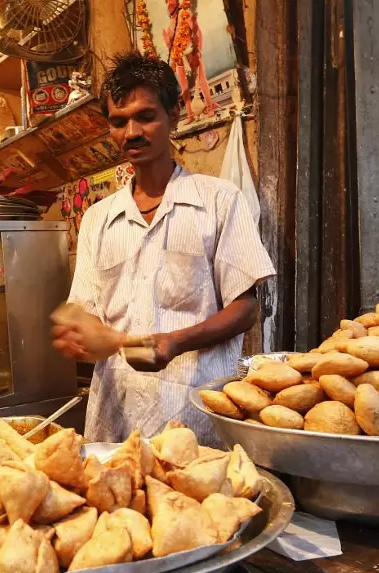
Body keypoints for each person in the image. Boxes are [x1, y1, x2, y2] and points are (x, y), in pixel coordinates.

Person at [52, 53, 276, 445]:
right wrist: (78, 335)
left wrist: (176, 342)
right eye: (118, 122)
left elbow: (247, 308)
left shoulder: (220, 200)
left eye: (146, 116)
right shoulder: (98, 218)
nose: (131, 132)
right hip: (116, 417)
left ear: (174, 115)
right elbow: (84, 312)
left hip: (195, 414)